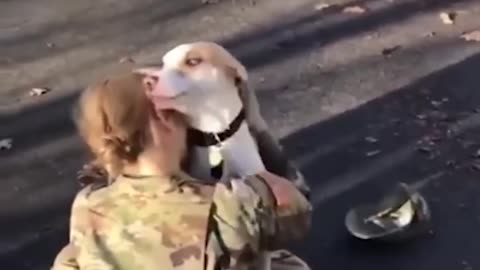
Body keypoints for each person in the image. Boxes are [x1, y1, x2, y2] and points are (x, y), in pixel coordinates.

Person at [51, 71, 312, 270]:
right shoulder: (230, 207)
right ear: (165, 117)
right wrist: (245, 125)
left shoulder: (87, 204)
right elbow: (296, 208)